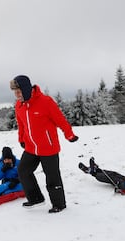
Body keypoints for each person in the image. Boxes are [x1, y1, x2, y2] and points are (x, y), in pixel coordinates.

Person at [10, 75, 78, 213]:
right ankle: (35, 198)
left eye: (18, 91)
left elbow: (60, 119)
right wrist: (21, 139)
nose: (16, 95)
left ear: (26, 89)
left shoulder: (45, 102)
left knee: (52, 177)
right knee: (23, 170)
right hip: (31, 147)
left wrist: (69, 134)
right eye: (14, 92)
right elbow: (21, 124)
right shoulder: (19, 105)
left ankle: (59, 204)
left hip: (48, 147)